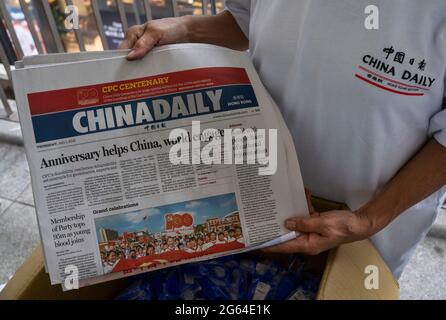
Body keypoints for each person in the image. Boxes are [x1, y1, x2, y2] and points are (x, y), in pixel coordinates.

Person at [120, 1, 446, 278]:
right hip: (254, 194)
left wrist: (368, 219)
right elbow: (245, 19)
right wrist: (185, 28)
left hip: (367, 231)